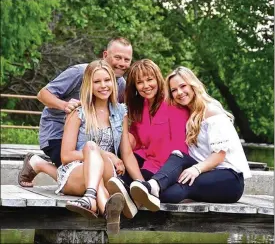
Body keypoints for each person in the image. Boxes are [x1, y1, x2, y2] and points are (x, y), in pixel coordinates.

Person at [128, 66, 252, 211]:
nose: (179, 92)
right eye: (174, 90)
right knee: (178, 155)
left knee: (175, 190)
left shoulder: (211, 111)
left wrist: (196, 169)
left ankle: (145, 192)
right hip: (205, 173)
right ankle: (152, 186)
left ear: (193, 85)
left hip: (229, 178)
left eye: (183, 86)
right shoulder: (188, 113)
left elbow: (219, 155)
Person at [18, 37, 133, 187]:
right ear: (105, 55)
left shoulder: (121, 84)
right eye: (117, 57)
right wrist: (64, 105)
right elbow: (43, 94)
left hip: (91, 138)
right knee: (81, 175)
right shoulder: (79, 72)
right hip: (58, 133)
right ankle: (39, 164)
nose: (122, 63)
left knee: (102, 169)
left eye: (126, 59)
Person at [107, 59, 189, 216]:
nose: (146, 86)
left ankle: (131, 201)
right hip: (148, 163)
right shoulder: (139, 108)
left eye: (149, 79)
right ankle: (129, 200)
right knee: (118, 175)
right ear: (135, 87)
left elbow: (181, 149)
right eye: (140, 82)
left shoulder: (173, 104)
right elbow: (137, 145)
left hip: (166, 169)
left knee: (130, 183)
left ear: (157, 79)